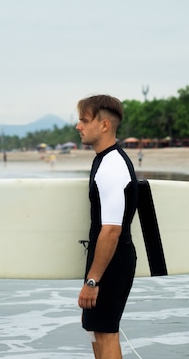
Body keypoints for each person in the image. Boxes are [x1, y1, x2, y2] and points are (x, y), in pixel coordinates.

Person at [75, 95, 139, 359]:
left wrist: (93, 280)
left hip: (112, 261)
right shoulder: (104, 160)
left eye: (83, 120)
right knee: (95, 329)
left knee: (106, 333)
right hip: (106, 261)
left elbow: (111, 230)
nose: (78, 126)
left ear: (103, 125)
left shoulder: (112, 166)